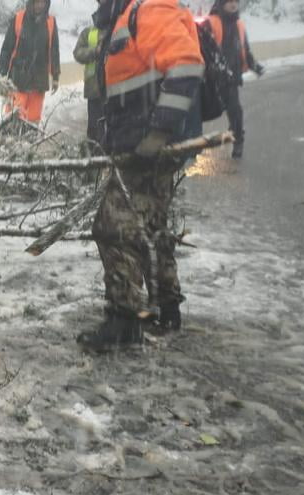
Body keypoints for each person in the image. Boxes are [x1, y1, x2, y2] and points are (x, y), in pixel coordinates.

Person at [77, 0, 204, 351]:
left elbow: (187, 66)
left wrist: (158, 133)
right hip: (137, 147)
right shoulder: (126, 15)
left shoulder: (149, 10)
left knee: (113, 227)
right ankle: (167, 306)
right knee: (152, 227)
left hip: (149, 150)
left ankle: (124, 321)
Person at [202, 0, 264, 159]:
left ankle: (238, 141)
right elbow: (203, 48)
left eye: (236, 2)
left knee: (235, 112)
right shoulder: (210, 23)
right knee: (201, 112)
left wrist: (254, 65)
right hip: (212, 79)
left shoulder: (240, 25)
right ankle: (190, 146)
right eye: (229, 2)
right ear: (222, 4)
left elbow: (245, 50)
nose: (233, 5)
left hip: (231, 78)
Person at [0, 0, 60, 124]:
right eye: (37, 2)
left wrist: (56, 76)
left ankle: (30, 142)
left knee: (32, 121)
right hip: (18, 79)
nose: (40, 5)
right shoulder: (19, 18)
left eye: (43, 2)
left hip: (39, 81)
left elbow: (54, 50)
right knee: (13, 118)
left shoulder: (51, 22)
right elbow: (6, 49)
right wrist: (2, 73)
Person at [72, 7, 104, 150]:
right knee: (94, 130)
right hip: (95, 90)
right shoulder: (89, 33)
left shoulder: (120, 27)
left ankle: (110, 164)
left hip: (116, 90)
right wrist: (95, 51)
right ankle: (92, 164)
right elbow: (78, 53)